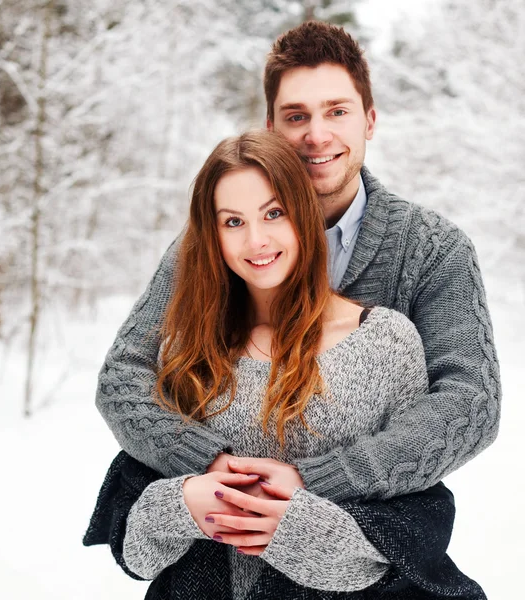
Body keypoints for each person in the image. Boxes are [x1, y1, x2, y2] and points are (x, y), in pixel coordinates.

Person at [95, 20, 500, 505]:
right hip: (224, 529)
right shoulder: (216, 240)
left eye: (337, 111)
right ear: (271, 127)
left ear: (369, 120)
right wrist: (210, 463)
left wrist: (316, 481)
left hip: (374, 536)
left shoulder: (433, 249)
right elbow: (124, 373)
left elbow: (470, 404)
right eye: (296, 116)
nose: (317, 134)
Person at [85, 130, 485, 599]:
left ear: (304, 213)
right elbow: (137, 549)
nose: (256, 241)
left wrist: (302, 529)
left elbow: (416, 532)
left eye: (273, 213)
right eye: (232, 222)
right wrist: (185, 504)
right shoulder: (187, 348)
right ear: (209, 234)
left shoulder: (385, 342)